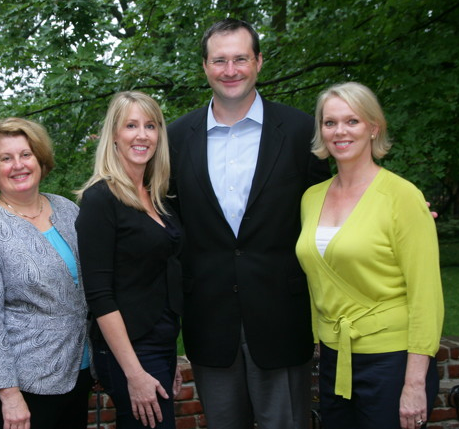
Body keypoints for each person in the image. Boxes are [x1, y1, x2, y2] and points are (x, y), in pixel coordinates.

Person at [167, 18, 331, 429]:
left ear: (258, 62)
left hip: (281, 316)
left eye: (240, 58)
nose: (230, 70)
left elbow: (332, 203)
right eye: (219, 60)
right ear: (204, 66)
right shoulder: (174, 138)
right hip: (209, 320)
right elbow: (164, 222)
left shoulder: (300, 132)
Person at [295, 82, 443, 429]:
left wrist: (414, 384)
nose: (339, 131)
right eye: (329, 123)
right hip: (335, 360)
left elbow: (426, 297)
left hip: (391, 362)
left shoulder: (402, 196)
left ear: (374, 127)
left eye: (352, 121)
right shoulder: (311, 198)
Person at [0, 117, 91, 429]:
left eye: (25, 154)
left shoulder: (68, 211)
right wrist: (9, 394)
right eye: (6, 158)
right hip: (22, 389)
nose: (18, 165)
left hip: (78, 371)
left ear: (40, 160)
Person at [76, 91, 183, 429]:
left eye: (150, 126)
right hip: (129, 352)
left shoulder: (160, 197)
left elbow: (153, 280)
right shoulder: (100, 200)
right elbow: (99, 294)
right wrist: (134, 372)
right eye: (131, 126)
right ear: (114, 136)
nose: (142, 135)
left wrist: (170, 359)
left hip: (160, 344)